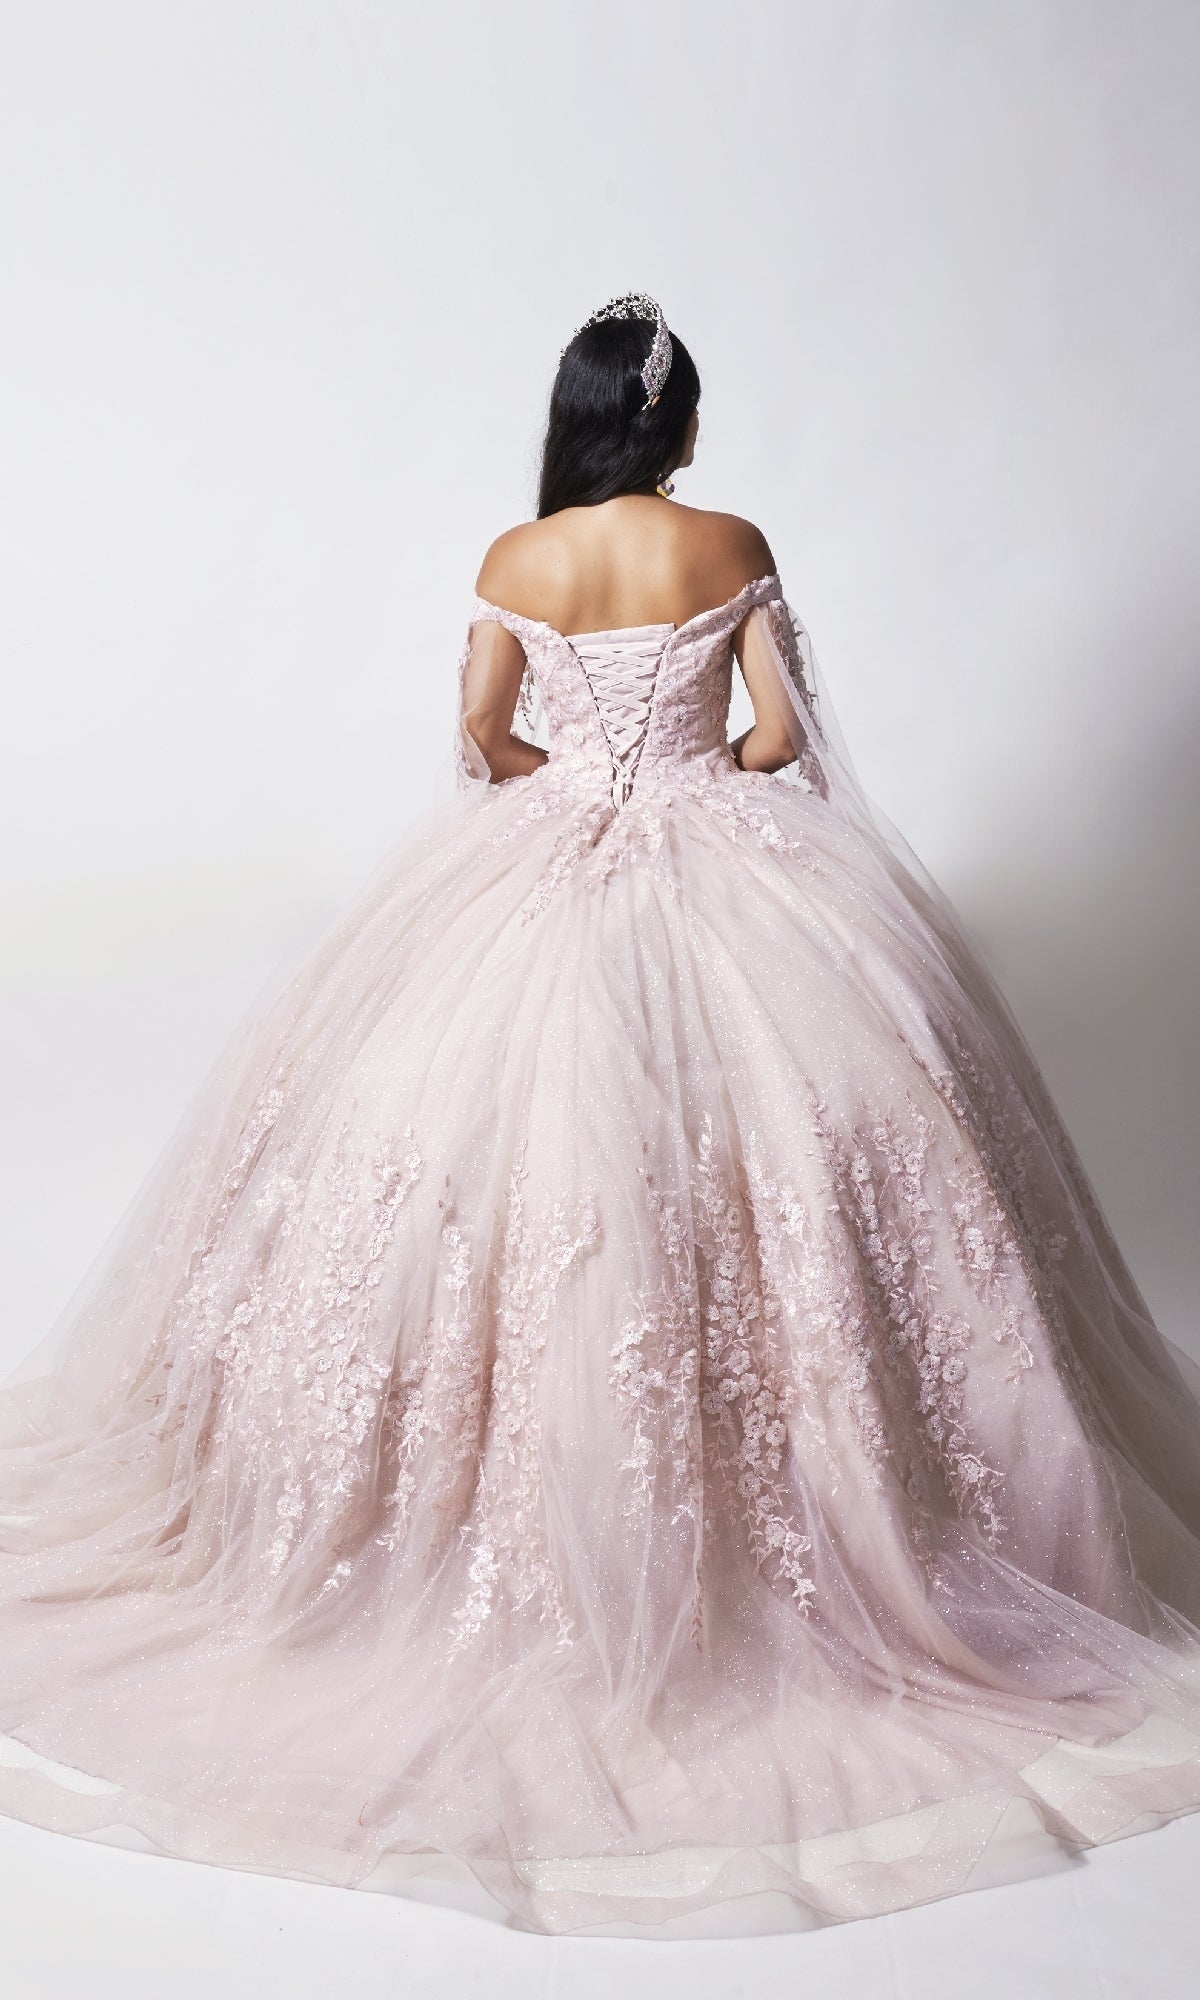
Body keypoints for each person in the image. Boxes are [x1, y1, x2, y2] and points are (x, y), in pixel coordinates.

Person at [1, 291, 1199, 1942]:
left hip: (540, 858)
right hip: (737, 864)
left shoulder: (520, 552)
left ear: (579, 423)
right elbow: (783, 733)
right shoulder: (734, 539)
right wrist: (711, 778)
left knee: (471, 1158)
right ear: (680, 424)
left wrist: (556, 773)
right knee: (815, 1145)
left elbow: (482, 732)